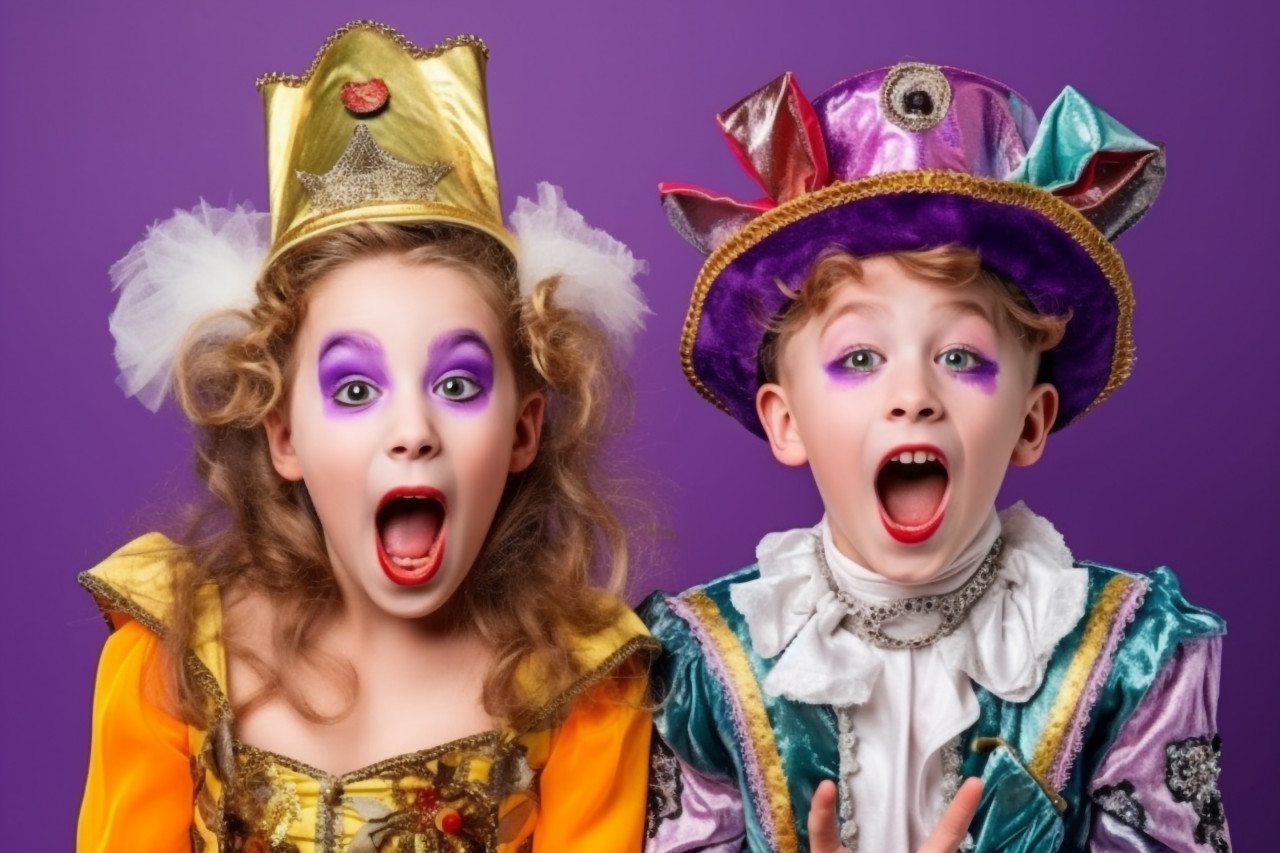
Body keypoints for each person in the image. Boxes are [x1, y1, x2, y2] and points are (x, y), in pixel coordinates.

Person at [77, 21, 654, 852]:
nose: (413, 431)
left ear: (525, 430)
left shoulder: (584, 685)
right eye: (355, 388)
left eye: (457, 384)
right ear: (283, 436)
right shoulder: (170, 656)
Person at [641, 63, 1228, 852]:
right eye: (857, 359)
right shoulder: (706, 666)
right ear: (786, 422)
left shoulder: (1130, 658)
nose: (912, 395)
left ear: (1029, 420)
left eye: (960, 357)